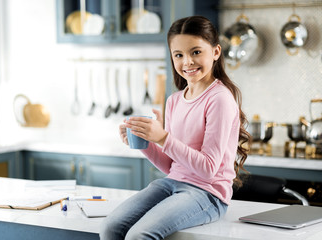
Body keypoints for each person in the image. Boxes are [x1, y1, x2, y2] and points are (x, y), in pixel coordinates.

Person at [99, 16, 251, 240]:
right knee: (110, 228)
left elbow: (208, 169)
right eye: (178, 55)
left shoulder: (219, 99)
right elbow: (171, 166)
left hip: (208, 194)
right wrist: (146, 141)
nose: (187, 61)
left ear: (216, 52)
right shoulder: (174, 100)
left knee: (139, 235)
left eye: (196, 52)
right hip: (172, 184)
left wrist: (163, 138)